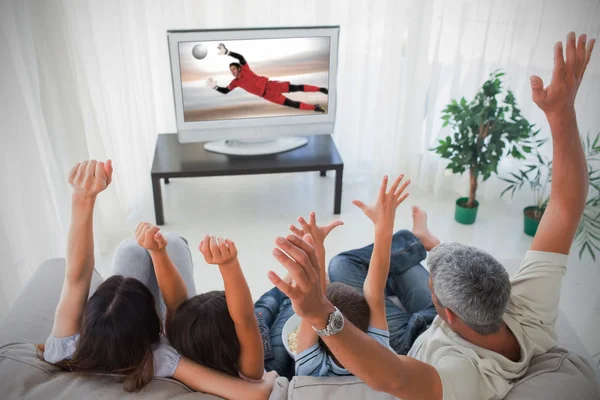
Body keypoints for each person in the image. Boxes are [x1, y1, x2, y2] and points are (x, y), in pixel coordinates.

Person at [267, 32, 596, 400]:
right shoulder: (530, 304)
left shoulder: (461, 373)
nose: (431, 280)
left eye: (433, 284)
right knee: (361, 275)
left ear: (448, 315)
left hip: (412, 339)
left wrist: (319, 312)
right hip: (442, 317)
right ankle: (424, 241)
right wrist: (562, 111)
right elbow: (567, 207)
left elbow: (391, 378)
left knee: (343, 267)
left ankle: (418, 241)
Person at [39, 160, 276, 399]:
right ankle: (165, 245)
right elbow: (180, 307)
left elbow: (76, 277)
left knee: (131, 251)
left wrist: (82, 198)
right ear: (156, 329)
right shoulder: (158, 358)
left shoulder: (63, 348)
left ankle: (157, 247)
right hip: (182, 339)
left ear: (88, 321)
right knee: (169, 243)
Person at [292, 175, 414, 377]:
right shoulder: (378, 353)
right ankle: (417, 239)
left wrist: (317, 250)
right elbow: (374, 293)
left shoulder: (310, 369)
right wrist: (383, 226)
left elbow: (316, 303)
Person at [207, 43, 328, 113]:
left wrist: (227, 52)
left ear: (239, 68)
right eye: (230, 70)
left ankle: (320, 89)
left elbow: (241, 57)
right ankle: (314, 108)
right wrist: (215, 87)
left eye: (234, 68)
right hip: (267, 95)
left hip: (271, 85)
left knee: (297, 87)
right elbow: (225, 91)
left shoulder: (245, 69)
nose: (232, 71)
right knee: (292, 104)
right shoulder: (235, 82)